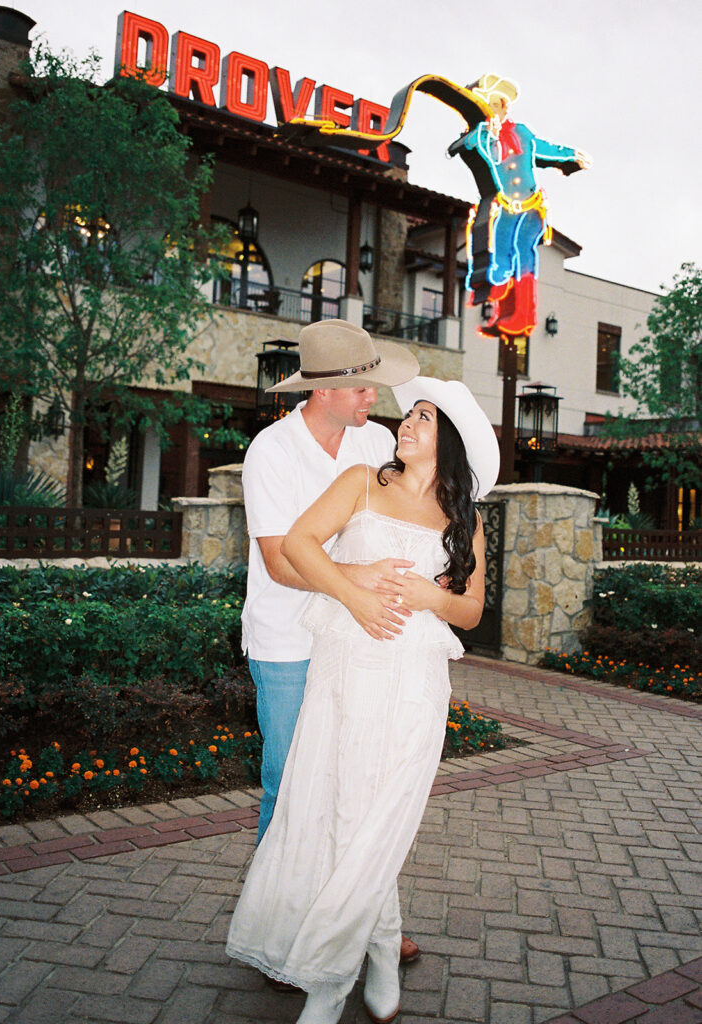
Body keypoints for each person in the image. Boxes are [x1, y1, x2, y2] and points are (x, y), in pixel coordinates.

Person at [227, 376, 500, 1023]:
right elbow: (295, 546)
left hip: (415, 682)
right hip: (346, 671)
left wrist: (434, 597)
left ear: (450, 442)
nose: (406, 425)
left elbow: (471, 609)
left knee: (384, 816)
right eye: (409, 417)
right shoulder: (359, 483)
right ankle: (370, 953)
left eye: (424, 420)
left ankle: (330, 976)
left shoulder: (465, 518)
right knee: (343, 811)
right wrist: (353, 593)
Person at [240, 318, 422, 973]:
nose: (375, 396)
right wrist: (358, 579)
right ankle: (276, 936)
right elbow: (281, 561)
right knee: (290, 787)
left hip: (356, 640)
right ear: (323, 391)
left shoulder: (377, 444)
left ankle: (368, 924)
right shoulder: (272, 450)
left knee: (357, 788)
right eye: (362, 386)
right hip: (288, 643)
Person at [448, 73, 592, 338]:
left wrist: (570, 155)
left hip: (531, 205)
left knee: (523, 249)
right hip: (504, 206)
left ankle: (523, 313)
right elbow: (475, 149)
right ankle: (503, 307)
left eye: (493, 104)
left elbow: (545, 148)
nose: (490, 110)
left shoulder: (521, 132)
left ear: (503, 106)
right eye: (484, 105)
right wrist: (487, 137)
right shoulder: (480, 135)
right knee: (501, 254)